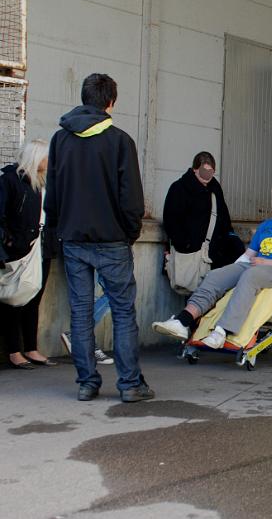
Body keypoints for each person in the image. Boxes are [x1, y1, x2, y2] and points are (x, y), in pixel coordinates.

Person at [45, 73, 153, 402]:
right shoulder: (120, 141)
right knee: (122, 312)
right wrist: (129, 233)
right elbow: (132, 199)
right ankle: (130, 384)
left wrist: (57, 231)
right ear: (111, 102)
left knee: (80, 312)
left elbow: (53, 195)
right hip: (113, 241)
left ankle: (87, 383)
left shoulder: (60, 140)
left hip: (74, 240)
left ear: (83, 97)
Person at [152, 182, 272, 347]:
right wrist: (231, 272)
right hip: (257, 267)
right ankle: (183, 321)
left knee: (251, 275)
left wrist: (266, 262)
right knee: (216, 276)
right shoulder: (266, 226)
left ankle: (222, 331)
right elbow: (248, 256)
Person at [0, 139, 58, 369]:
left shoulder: (45, 183)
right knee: (13, 299)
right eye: (46, 156)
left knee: (34, 298)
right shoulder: (11, 180)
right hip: (19, 250)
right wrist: (10, 241)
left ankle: (31, 348)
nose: (50, 161)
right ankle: (14, 352)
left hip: (42, 249)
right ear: (36, 157)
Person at [163, 151, 244, 271]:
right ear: (195, 169)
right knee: (187, 285)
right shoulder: (179, 188)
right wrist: (186, 246)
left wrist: (234, 242)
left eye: (210, 172)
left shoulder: (215, 189)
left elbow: (224, 219)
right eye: (203, 172)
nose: (207, 176)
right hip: (189, 255)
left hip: (215, 254)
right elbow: (171, 221)